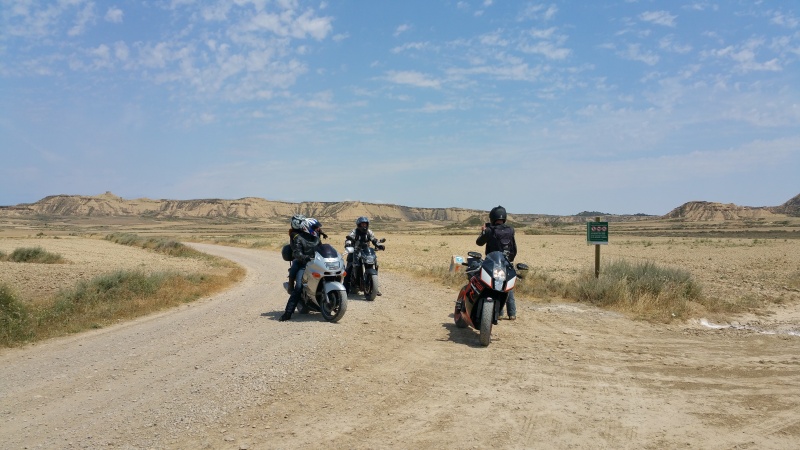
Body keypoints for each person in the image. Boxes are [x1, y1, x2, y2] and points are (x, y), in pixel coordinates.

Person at [475, 205, 518, 320]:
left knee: (493, 285)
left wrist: (483, 232)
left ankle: (498, 312)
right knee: (508, 286)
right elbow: (514, 247)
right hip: (507, 262)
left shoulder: (490, 230)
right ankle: (512, 313)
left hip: (494, 262)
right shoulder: (510, 230)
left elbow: (479, 243)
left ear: (492, 217)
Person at [279, 218, 322, 322]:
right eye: (315, 228)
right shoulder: (298, 238)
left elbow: (321, 249)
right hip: (303, 264)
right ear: (308, 228)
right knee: (298, 287)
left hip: (315, 264)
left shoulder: (316, 238)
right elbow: (297, 253)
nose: (318, 229)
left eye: (318, 228)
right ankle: (288, 312)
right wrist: (304, 257)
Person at [343, 216, 384, 294]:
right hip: (355, 250)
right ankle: (345, 288)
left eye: (365, 224)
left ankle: (374, 287)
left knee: (373, 264)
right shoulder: (354, 232)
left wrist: (379, 245)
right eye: (362, 224)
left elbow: (374, 239)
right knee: (349, 267)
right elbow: (348, 239)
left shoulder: (369, 232)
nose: (364, 226)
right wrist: (348, 244)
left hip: (366, 250)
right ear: (359, 225)